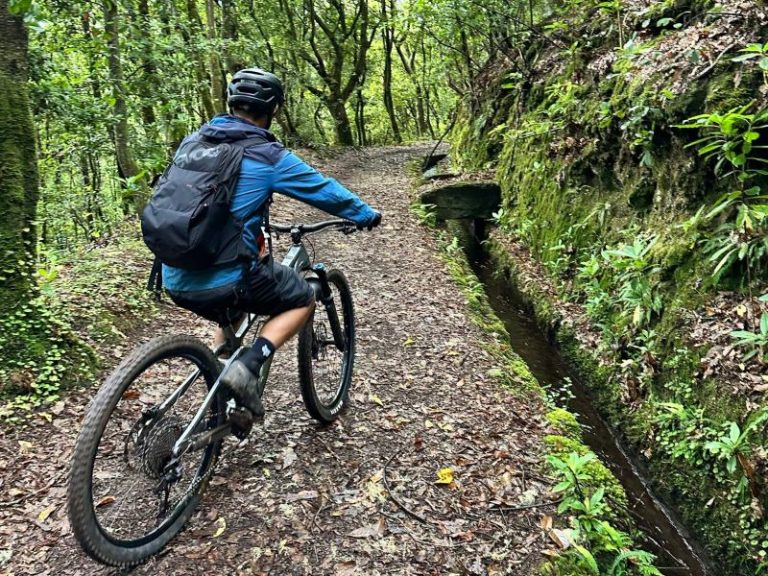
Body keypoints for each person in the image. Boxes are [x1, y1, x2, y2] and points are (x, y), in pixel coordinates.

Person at [163, 68, 381, 418]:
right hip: (227, 279)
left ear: (231, 103)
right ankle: (247, 366)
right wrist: (365, 214)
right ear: (273, 110)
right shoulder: (266, 155)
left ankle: (220, 377)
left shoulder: (193, 142)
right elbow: (323, 190)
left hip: (174, 274)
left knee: (232, 303)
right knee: (303, 298)